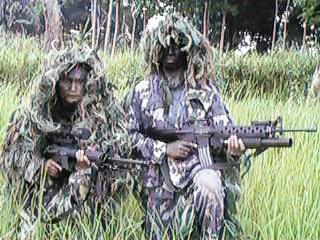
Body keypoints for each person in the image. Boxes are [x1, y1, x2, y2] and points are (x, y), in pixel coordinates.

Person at [126, 14, 245, 239]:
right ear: (154, 47)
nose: (171, 49)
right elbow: (127, 138)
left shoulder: (207, 92)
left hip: (198, 173)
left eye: (178, 43)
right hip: (159, 183)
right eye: (165, 43)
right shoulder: (141, 92)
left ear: (188, 46)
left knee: (210, 185)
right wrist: (164, 149)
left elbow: (226, 132)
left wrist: (233, 150)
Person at [0, 46, 129, 238]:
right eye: (68, 81)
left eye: (80, 82)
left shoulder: (101, 112)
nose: (74, 88)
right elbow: (8, 157)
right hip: (40, 191)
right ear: (56, 81)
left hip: (82, 193)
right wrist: (41, 166)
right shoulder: (36, 112)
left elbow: (118, 151)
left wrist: (86, 166)